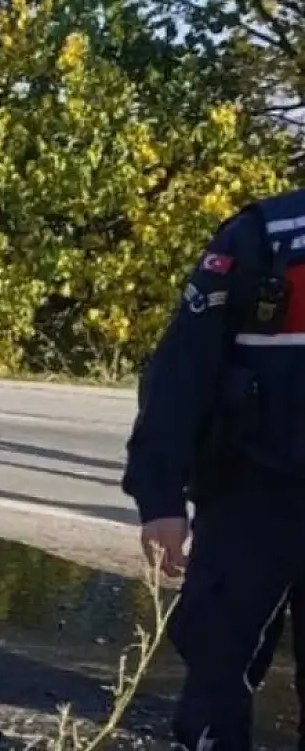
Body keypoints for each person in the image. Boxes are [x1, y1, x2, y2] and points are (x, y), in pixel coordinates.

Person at [123, 189, 305, 750]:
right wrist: (161, 499)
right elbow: (183, 370)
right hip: (252, 498)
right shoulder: (261, 237)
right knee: (218, 674)